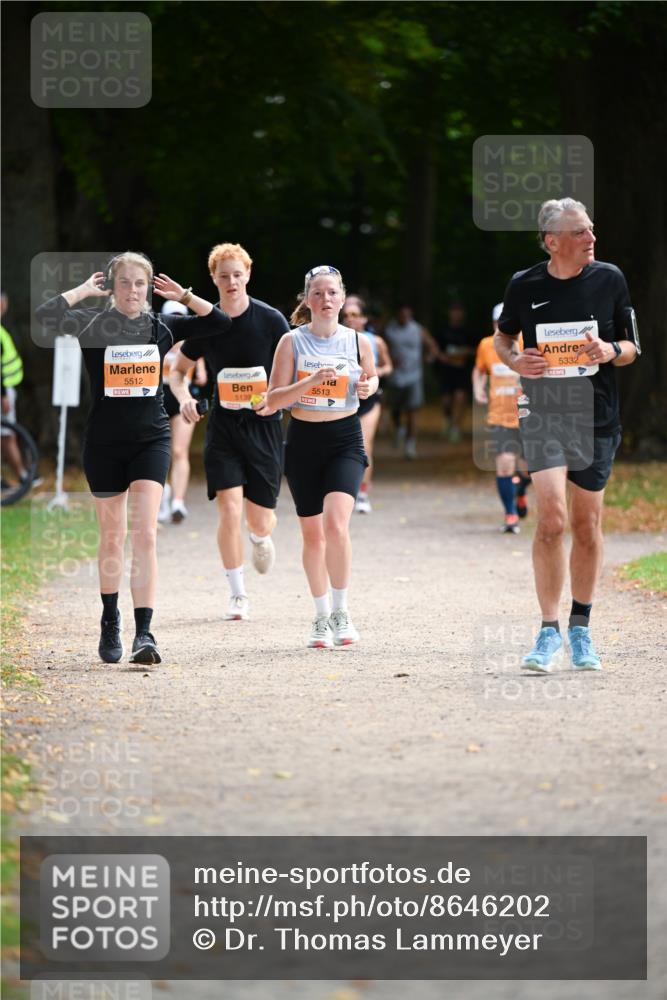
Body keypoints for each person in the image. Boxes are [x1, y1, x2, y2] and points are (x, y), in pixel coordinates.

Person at [35, 252, 231, 665]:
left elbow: (219, 323)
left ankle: (145, 632)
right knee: (112, 537)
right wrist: (84, 291)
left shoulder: (162, 325)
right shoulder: (92, 323)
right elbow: (45, 315)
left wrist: (186, 296)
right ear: (112, 286)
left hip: (151, 440)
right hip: (104, 445)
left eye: (139, 284)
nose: (133, 290)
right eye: (123, 283)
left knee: (145, 535)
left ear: (148, 289)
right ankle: (111, 620)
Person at [494, 198, 639, 672]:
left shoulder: (610, 278)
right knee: (552, 518)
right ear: (552, 241)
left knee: (586, 524)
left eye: (591, 230)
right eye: (580, 233)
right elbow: (503, 337)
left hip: (596, 417)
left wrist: (608, 348)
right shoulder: (524, 284)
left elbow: (632, 347)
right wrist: (516, 361)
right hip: (544, 411)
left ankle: (581, 627)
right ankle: (547, 631)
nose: (591, 239)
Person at [169, 243, 289, 621]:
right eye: (224, 276)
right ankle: (237, 594)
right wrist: (184, 395)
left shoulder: (271, 321)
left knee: (258, 519)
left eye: (238, 274)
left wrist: (277, 399)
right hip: (223, 428)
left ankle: (260, 535)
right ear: (214, 279)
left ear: (248, 274)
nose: (232, 281)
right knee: (228, 508)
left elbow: (291, 370)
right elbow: (177, 372)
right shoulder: (209, 324)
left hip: (264, 426)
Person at [266, 265, 378, 648]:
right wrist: (310, 382)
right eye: (317, 293)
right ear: (307, 300)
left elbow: (373, 377)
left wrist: (367, 385)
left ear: (342, 298)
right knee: (312, 535)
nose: (325, 299)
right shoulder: (291, 342)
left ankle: (342, 612)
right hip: (303, 440)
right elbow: (272, 400)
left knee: (337, 525)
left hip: (345, 437)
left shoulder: (357, 341)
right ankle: (319, 616)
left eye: (332, 292)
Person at [472, 302, 529, 533]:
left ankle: (521, 491)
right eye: (497, 323)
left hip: (528, 415)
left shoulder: (528, 341)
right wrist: (478, 387)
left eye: (505, 324)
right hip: (499, 415)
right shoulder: (486, 345)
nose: (500, 328)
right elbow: (478, 369)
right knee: (505, 466)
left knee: (528, 469)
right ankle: (511, 514)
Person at [158, 299, 209, 525]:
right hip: (157, 399)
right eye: (173, 316)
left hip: (183, 400)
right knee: (159, 453)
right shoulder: (156, 339)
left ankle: (178, 501)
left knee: (179, 451)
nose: (176, 320)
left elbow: (202, 377)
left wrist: (196, 369)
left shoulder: (192, 343)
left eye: (181, 316)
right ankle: (162, 497)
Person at [341, 296, 393, 513]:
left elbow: (388, 366)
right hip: (343, 398)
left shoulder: (376, 341)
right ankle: (344, 491)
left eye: (355, 315)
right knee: (343, 446)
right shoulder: (336, 339)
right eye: (346, 316)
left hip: (369, 398)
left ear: (363, 318)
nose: (350, 319)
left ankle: (362, 492)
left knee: (364, 445)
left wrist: (376, 373)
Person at [384, 305, 439, 459]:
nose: (404, 318)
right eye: (402, 315)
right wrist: (388, 360)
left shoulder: (417, 330)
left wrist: (430, 357)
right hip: (395, 377)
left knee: (411, 411)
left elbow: (432, 346)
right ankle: (398, 429)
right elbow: (382, 348)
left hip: (414, 376)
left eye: (407, 316)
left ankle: (410, 445)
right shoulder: (390, 330)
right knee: (395, 409)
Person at [1, 290, 34, 486]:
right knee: (8, 434)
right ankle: (23, 476)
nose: (5, 307)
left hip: (7, 389)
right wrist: (3, 394)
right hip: (3, 391)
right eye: (3, 303)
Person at [434, 302, 476, 443]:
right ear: (450, 313)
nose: (456, 314)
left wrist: (465, 352)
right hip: (447, 370)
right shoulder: (443, 331)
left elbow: (476, 349)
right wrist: (442, 357)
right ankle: (448, 419)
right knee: (446, 401)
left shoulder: (468, 331)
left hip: (462, 371)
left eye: (459, 311)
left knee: (460, 398)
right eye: (454, 311)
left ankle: (456, 428)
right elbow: (436, 349)